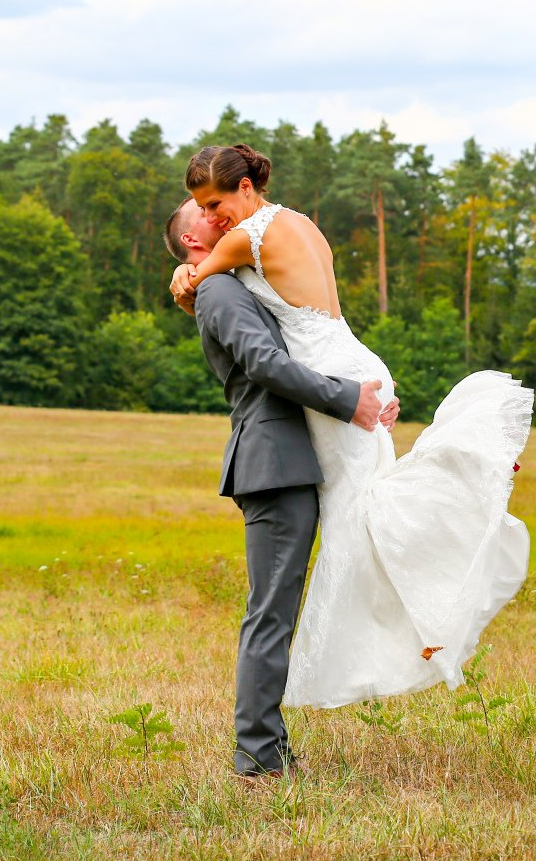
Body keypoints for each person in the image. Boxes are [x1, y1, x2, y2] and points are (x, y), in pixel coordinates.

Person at [170, 143, 533, 711]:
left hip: (334, 380)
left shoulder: (243, 240)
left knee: (364, 516)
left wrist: (182, 272)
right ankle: (421, 601)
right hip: (354, 361)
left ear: (245, 188)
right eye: (202, 212)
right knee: (364, 509)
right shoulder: (301, 224)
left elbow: (200, 286)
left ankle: (461, 503)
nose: (213, 219)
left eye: (215, 204)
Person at [163, 196, 400, 780]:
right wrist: (348, 400)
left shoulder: (234, 277)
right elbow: (265, 362)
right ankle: (257, 754)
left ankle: (267, 746)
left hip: (300, 456)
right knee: (271, 611)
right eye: (205, 217)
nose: (219, 219)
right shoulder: (218, 292)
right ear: (192, 243)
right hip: (273, 461)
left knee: (281, 606)